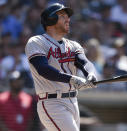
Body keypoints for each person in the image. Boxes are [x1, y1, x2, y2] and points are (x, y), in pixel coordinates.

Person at [25, 3, 97, 131]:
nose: (68, 19)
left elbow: (84, 63)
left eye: (67, 16)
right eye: (63, 16)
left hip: (73, 100)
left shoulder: (73, 45)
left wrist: (90, 74)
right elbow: (43, 69)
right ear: (51, 19)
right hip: (52, 102)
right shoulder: (36, 42)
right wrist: (72, 79)